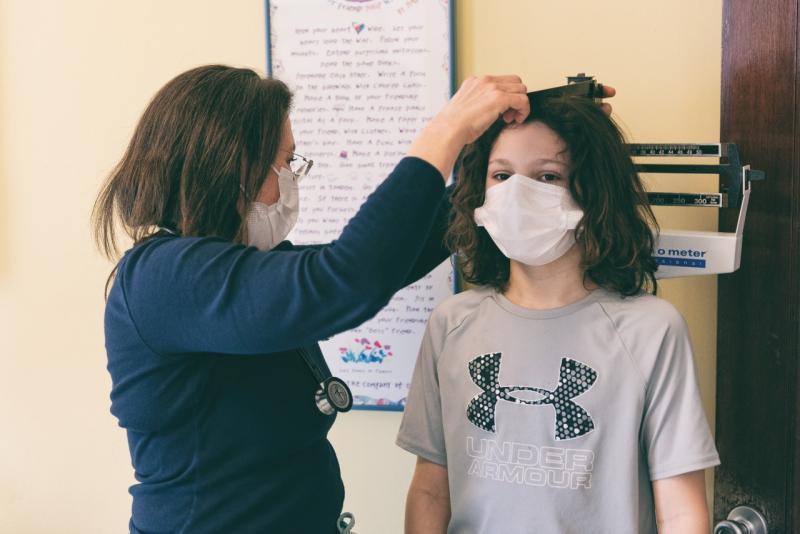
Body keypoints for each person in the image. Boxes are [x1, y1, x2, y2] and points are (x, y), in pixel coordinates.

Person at [91, 64, 533, 533]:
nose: (290, 180)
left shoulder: (236, 269)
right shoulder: (162, 277)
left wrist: (494, 173)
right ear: (226, 165)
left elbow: (391, 258)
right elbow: (347, 279)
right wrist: (446, 133)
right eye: (284, 162)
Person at [397, 96, 720, 534]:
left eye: (548, 176)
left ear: (592, 191)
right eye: (501, 175)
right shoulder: (451, 323)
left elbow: (681, 513)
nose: (517, 192)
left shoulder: (651, 329)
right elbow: (431, 491)